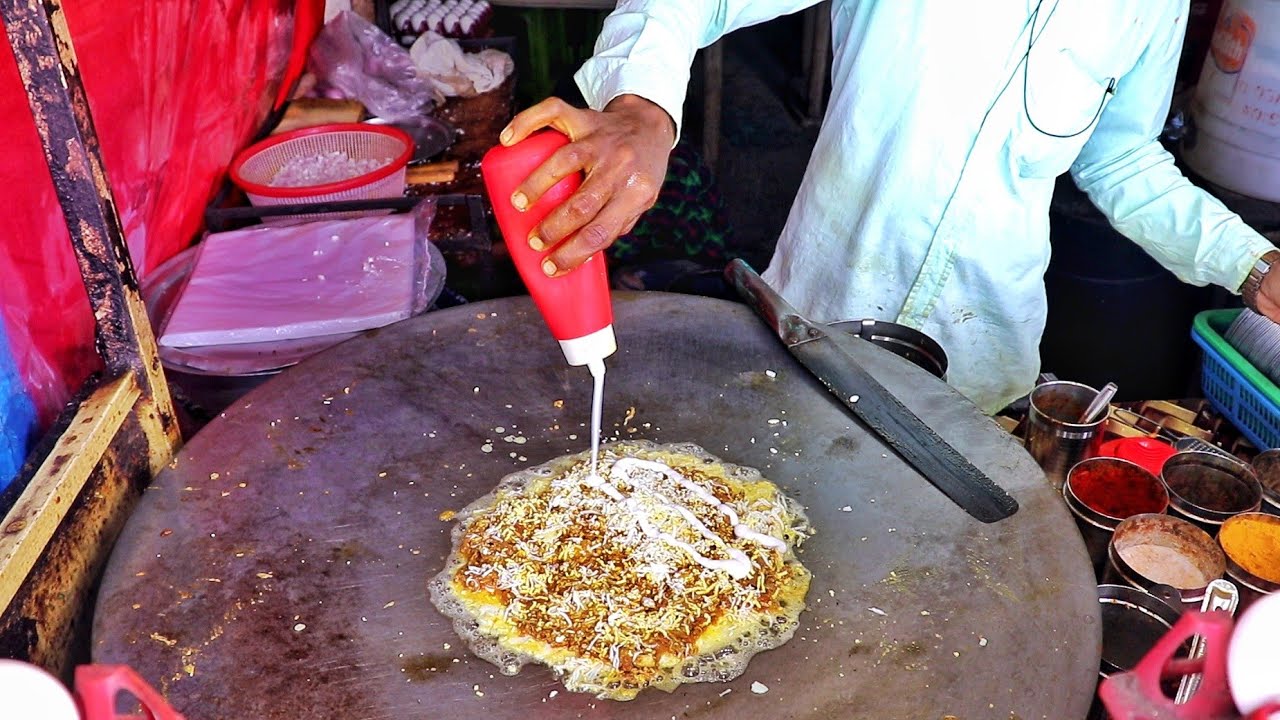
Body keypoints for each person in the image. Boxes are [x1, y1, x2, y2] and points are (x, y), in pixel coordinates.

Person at [496, 0, 1280, 413]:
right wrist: (643, 110)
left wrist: (1250, 263)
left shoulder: (1149, 5)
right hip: (818, 331)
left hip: (983, 374)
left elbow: (1120, 155)